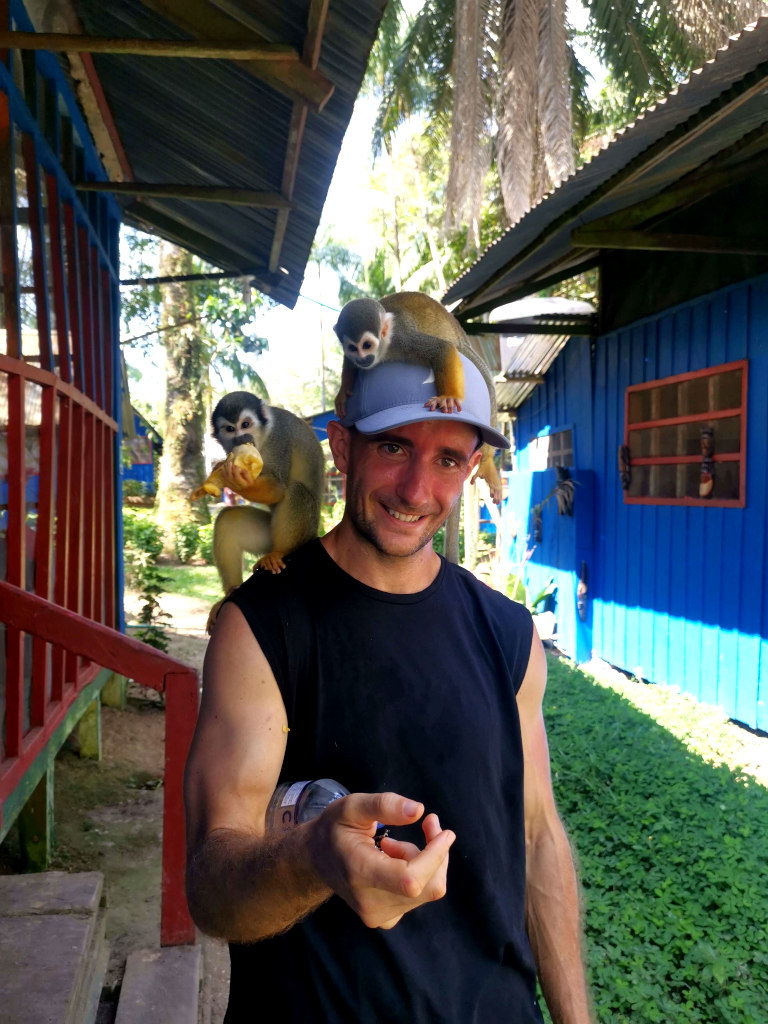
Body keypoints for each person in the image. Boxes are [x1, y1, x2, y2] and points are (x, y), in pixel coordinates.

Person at [184, 354, 593, 1024]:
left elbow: (539, 834)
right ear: (342, 445)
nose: (414, 488)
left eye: (448, 460)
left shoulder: (509, 635)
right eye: (394, 447)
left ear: (471, 469)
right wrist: (315, 856)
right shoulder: (260, 628)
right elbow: (212, 887)